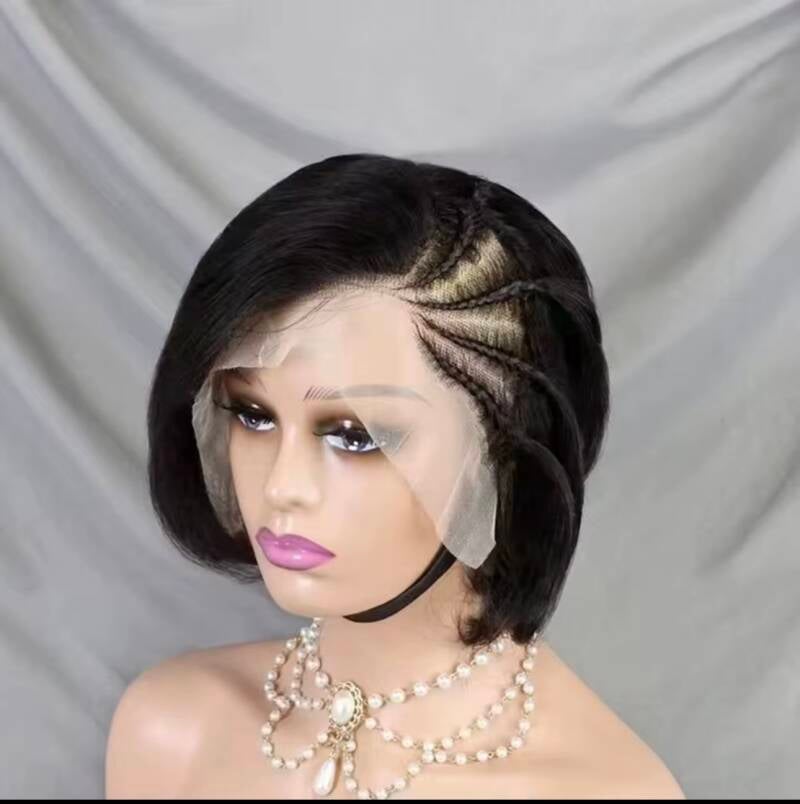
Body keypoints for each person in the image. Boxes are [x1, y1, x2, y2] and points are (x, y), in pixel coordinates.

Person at [105, 153, 685, 799]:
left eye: (356, 436)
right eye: (253, 415)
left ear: (501, 452)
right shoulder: (174, 730)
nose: (281, 486)